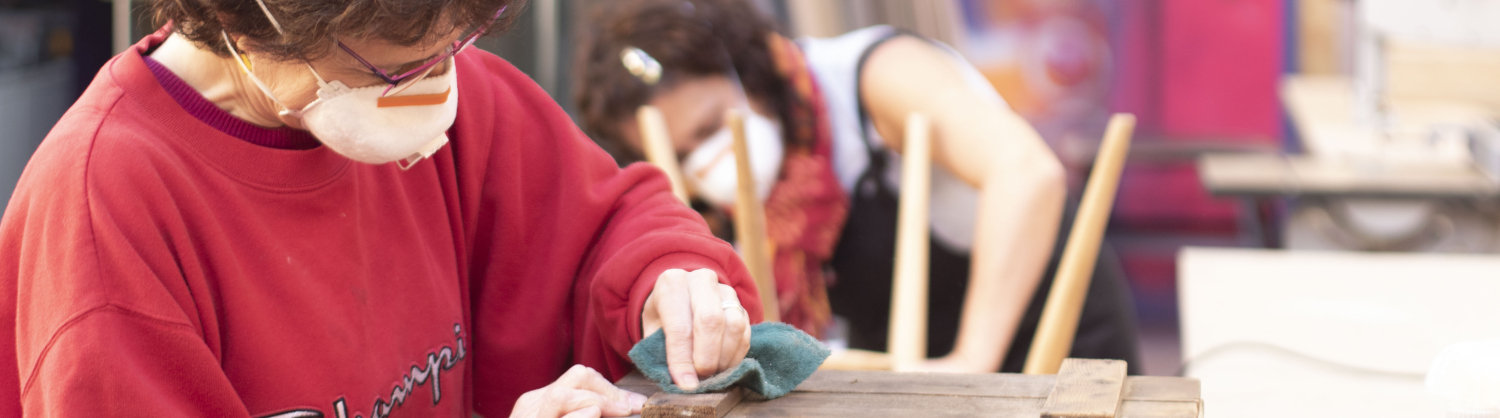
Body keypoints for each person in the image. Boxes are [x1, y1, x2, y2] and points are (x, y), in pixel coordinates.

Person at [0, 0, 759, 416]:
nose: (437, 87)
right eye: (397, 69)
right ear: (245, 21)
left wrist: (669, 282)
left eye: (458, 41)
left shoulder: (456, 92)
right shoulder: (106, 219)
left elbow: (611, 225)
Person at [575, 0, 1140, 373]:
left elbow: (1026, 172)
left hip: (1045, 350)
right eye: (680, 154)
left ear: (747, 74)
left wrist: (971, 362)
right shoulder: (726, 203)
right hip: (915, 375)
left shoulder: (870, 77)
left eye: (709, 127)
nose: (707, 162)